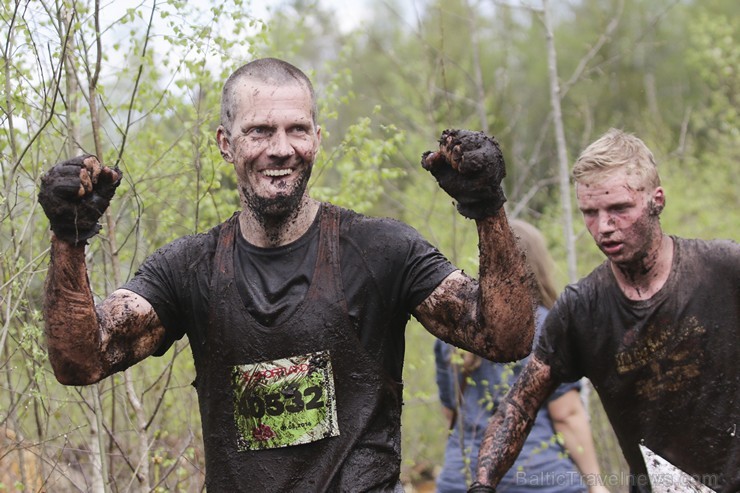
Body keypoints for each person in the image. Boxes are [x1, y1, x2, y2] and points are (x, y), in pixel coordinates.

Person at [37, 57, 538, 492]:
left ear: (317, 139)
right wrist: (69, 236)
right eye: (259, 130)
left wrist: (487, 208)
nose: (281, 148)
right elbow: (81, 361)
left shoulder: (382, 250)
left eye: (297, 129)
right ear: (225, 143)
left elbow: (506, 336)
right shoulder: (188, 268)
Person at [469, 129, 740, 493]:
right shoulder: (582, 308)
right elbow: (519, 404)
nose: (604, 227)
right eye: (590, 213)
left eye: (619, 209)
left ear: (656, 201)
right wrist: (483, 485)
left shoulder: (723, 270)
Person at [435, 220, 608, 493]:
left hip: (463, 478)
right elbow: (567, 415)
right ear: (536, 264)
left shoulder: (454, 328)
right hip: (540, 479)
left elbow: (451, 411)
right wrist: (597, 485)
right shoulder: (548, 327)